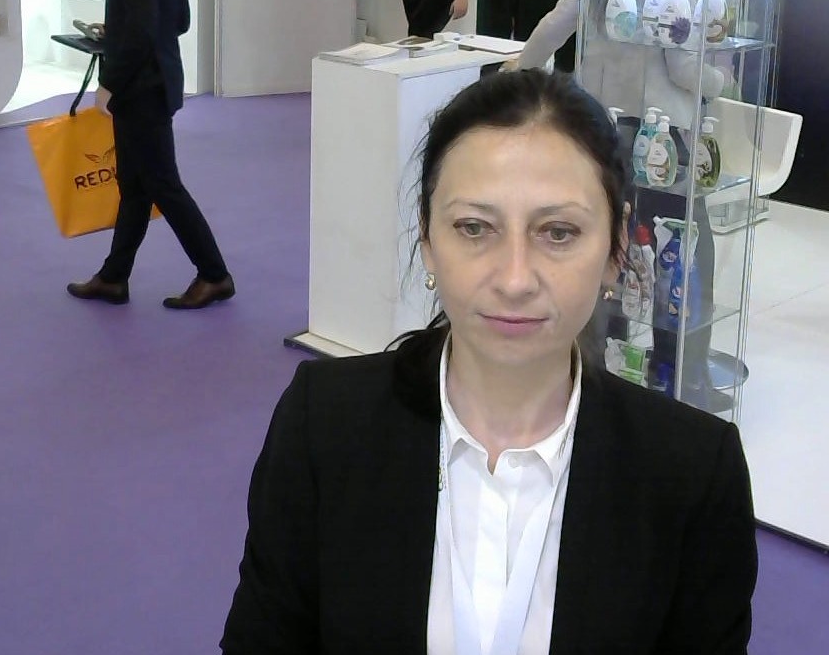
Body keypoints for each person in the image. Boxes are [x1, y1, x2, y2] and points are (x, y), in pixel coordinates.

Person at [221, 69, 757, 654]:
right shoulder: (323, 424)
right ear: (427, 239)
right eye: (474, 228)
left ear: (616, 247)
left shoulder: (693, 474)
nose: (514, 279)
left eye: (558, 232)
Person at [512, 0, 728, 411]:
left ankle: (601, 369)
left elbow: (555, 25)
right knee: (683, 255)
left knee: (608, 249)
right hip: (666, 136)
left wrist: (517, 71)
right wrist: (722, 79)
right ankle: (682, 380)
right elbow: (686, 70)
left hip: (601, 129)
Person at [67, 0, 235, 311]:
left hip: (140, 88)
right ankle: (113, 276)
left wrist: (109, 82)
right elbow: (176, 21)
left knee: (162, 184)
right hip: (158, 81)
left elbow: (141, 33)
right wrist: (122, 28)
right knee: (137, 186)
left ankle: (214, 274)